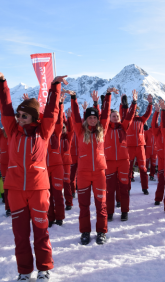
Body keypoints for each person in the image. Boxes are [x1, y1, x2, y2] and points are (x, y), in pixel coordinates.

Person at [0, 68, 66, 280]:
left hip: (38, 189)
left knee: (41, 232)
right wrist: (2, 82)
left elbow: (51, 112)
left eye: (24, 115)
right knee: (20, 235)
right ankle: (24, 271)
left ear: (34, 117)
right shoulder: (12, 130)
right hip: (16, 190)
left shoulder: (43, 132)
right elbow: (6, 108)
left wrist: (55, 86)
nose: (19, 118)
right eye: (19, 115)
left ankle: (44, 269)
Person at [65, 87, 112, 245]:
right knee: (84, 205)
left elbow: (105, 114)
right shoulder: (80, 130)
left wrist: (107, 97)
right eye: (90, 117)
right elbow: (76, 116)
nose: (92, 119)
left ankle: (101, 231)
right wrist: (73, 99)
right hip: (83, 173)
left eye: (94, 117)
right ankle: (85, 232)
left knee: (101, 204)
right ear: (86, 119)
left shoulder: (102, 130)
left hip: (99, 173)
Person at [105, 90, 137, 222]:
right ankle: (110, 212)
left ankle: (124, 211)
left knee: (124, 188)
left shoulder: (123, 127)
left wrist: (134, 103)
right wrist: (107, 97)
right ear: (109, 117)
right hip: (109, 162)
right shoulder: (105, 128)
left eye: (117, 116)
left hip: (124, 161)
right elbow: (104, 113)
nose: (116, 118)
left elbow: (129, 116)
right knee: (109, 190)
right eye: (113, 116)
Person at [127, 94, 153, 194]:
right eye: (134, 110)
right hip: (130, 147)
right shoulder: (127, 120)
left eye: (137, 110)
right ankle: (128, 188)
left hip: (140, 147)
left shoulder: (141, 120)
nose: (135, 111)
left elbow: (148, 113)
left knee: (143, 168)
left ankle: (145, 188)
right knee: (128, 169)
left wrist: (150, 103)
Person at [46, 95, 66, 227]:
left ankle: (59, 217)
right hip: (43, 167)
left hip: (57, 166)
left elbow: (59, 121)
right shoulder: (40, 132)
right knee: (46, 195)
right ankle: (50, 217)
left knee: (57, 193)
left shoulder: (56, 132)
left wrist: (59, 105)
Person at [62, 109, 75, 211]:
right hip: (56, 164)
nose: (62, 129)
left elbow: (71, 128)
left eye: (64, 128)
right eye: (60, 128)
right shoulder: (54, 137)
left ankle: (69, 202)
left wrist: (69, 117)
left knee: (67, 184)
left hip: (66, 163)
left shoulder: (68, 138)